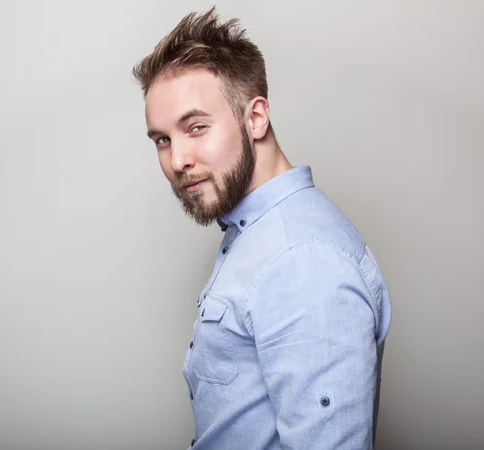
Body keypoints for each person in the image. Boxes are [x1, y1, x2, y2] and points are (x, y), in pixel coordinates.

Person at [132, 7, 392, 449]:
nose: (177, 161)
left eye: (196, 127)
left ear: (256, 118)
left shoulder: (301, 259)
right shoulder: (256, 233)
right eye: (163, 140)